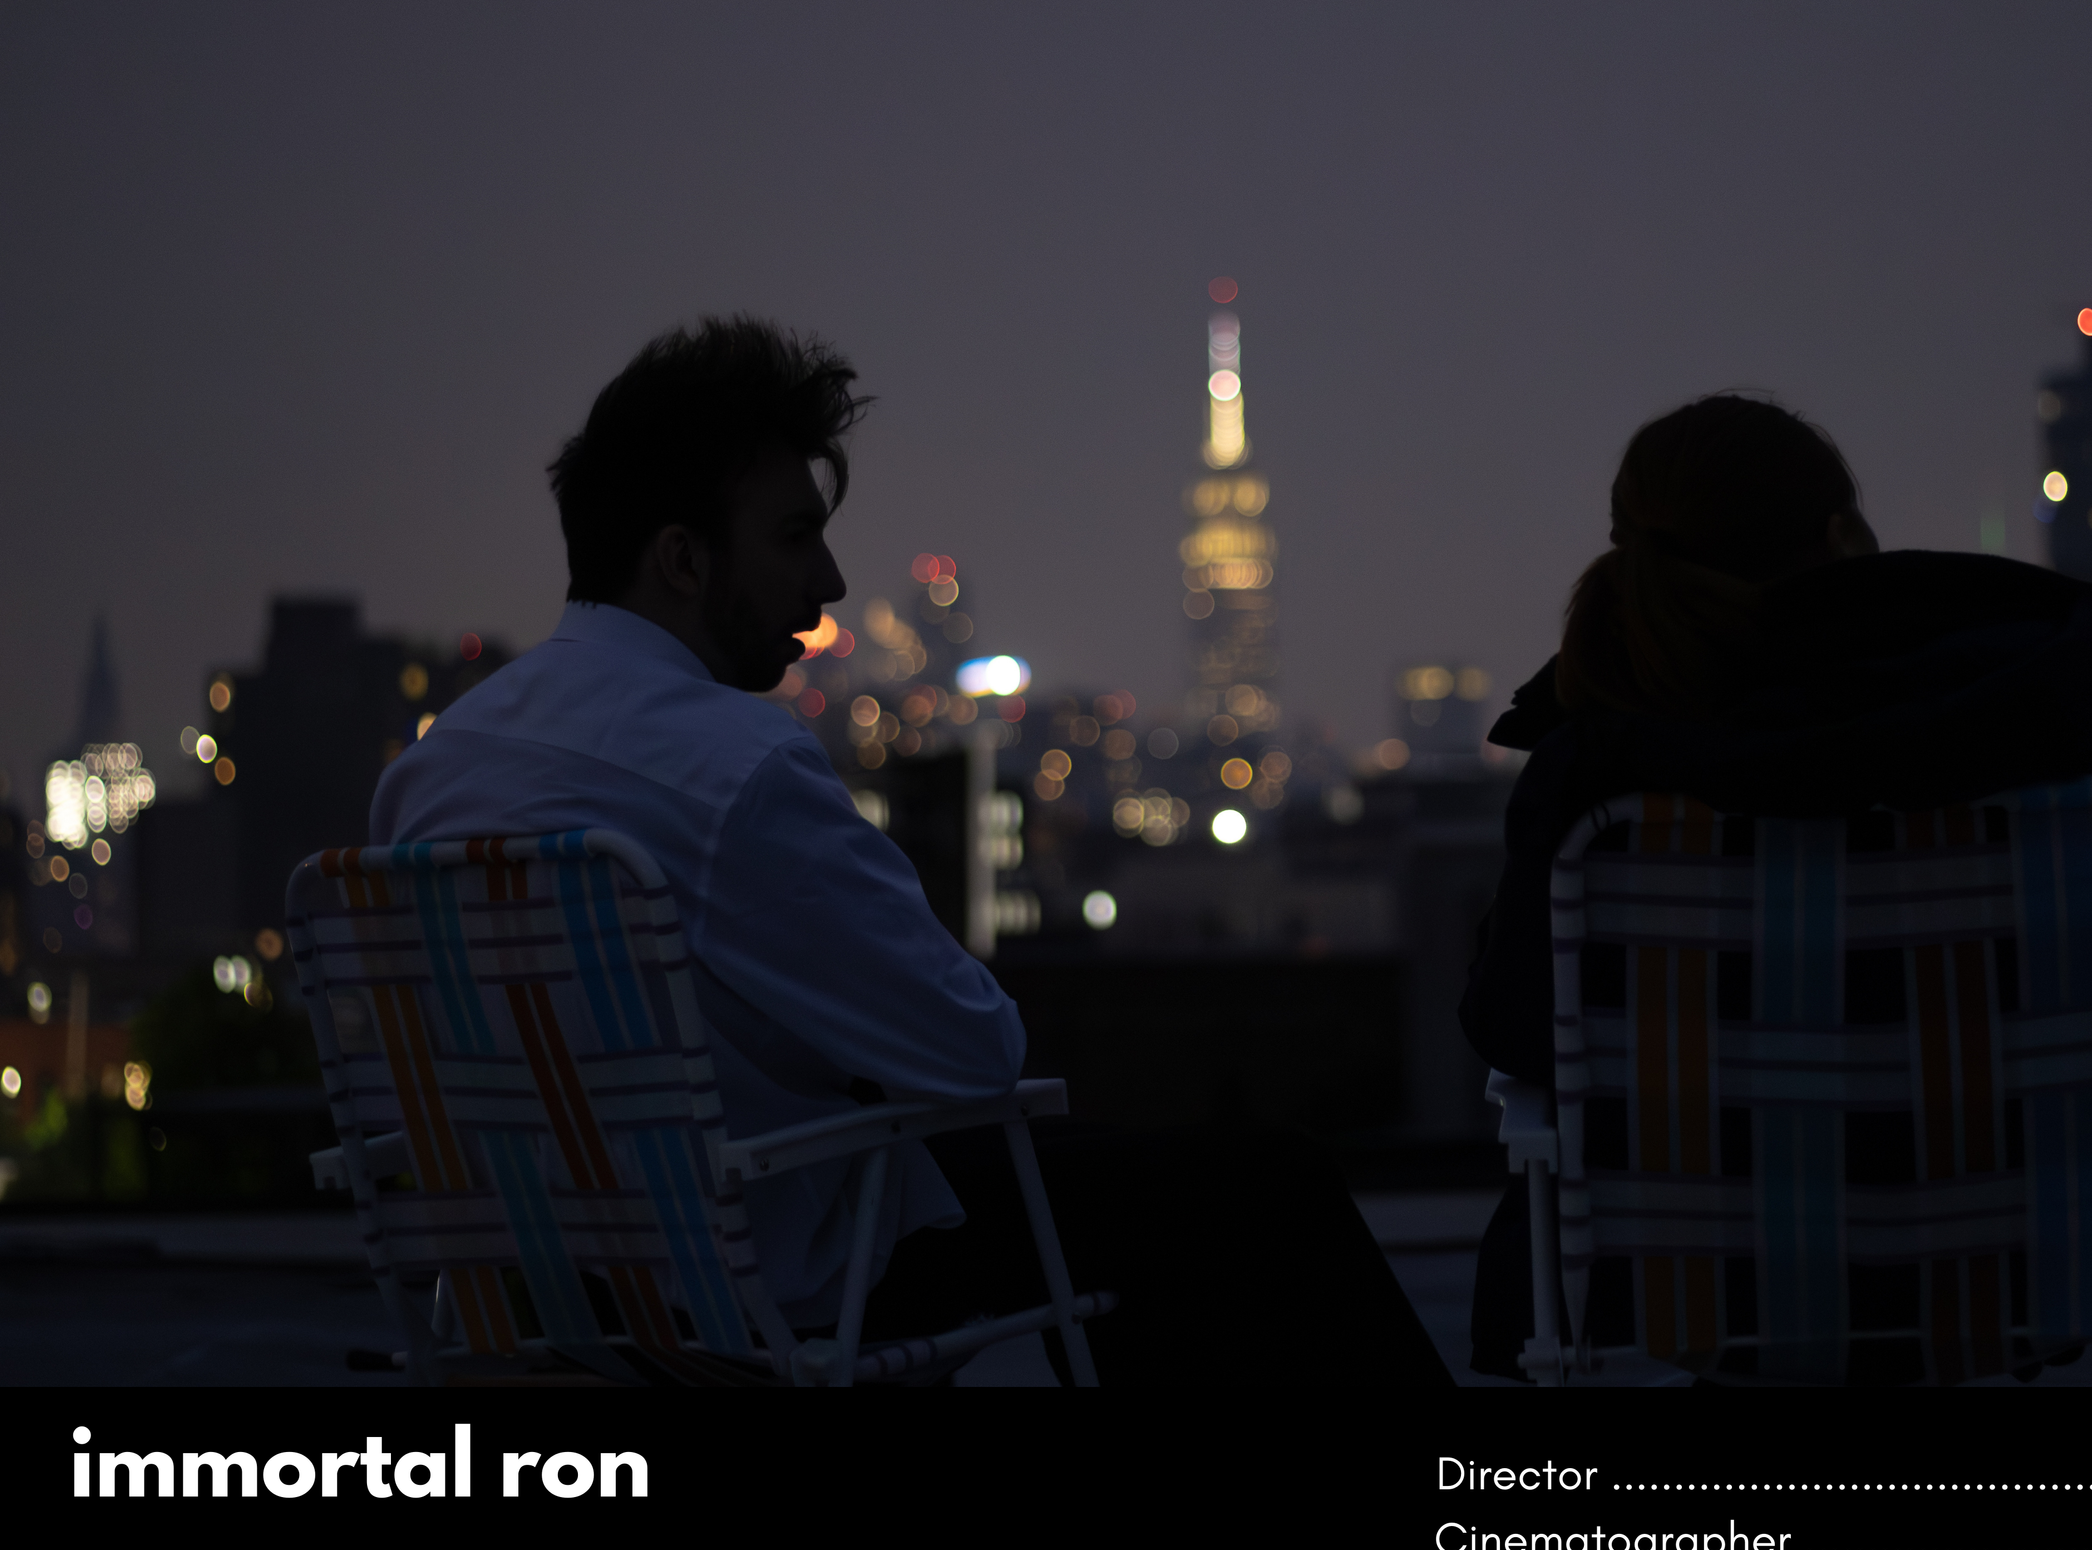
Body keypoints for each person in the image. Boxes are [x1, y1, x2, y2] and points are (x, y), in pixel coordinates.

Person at [369, 316, 1447, 1386]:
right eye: (795, 536)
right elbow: (974, 1050)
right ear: (683, 559)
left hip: (549, 1297)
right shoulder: (736, 766)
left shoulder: (431, 775)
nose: (831, 581)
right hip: (790, 1281)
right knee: (1261, 1192)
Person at [1458, 394, 2092, 1380]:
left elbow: (1516, 1029)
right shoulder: (2069, 727)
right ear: (1842, 535)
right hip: (2030, 1264)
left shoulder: (1601, 775)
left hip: (1689, 1280)